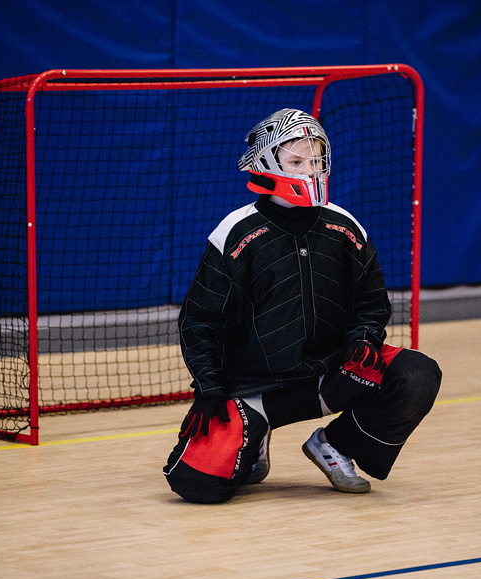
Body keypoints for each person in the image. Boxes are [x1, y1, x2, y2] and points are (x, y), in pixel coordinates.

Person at [164, 108, 441, 504]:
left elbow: (371, 300)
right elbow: (200, 320)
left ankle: (335, 446)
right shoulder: (236, 231)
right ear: (264, 162)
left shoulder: (345, 226)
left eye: (316, 159)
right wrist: (210, 387)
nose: (309, 170)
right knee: (196, 485)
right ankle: (254, 432)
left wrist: (364, 336)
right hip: (252, 389)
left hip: (333, 375)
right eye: (296, 161)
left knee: (417, 374)